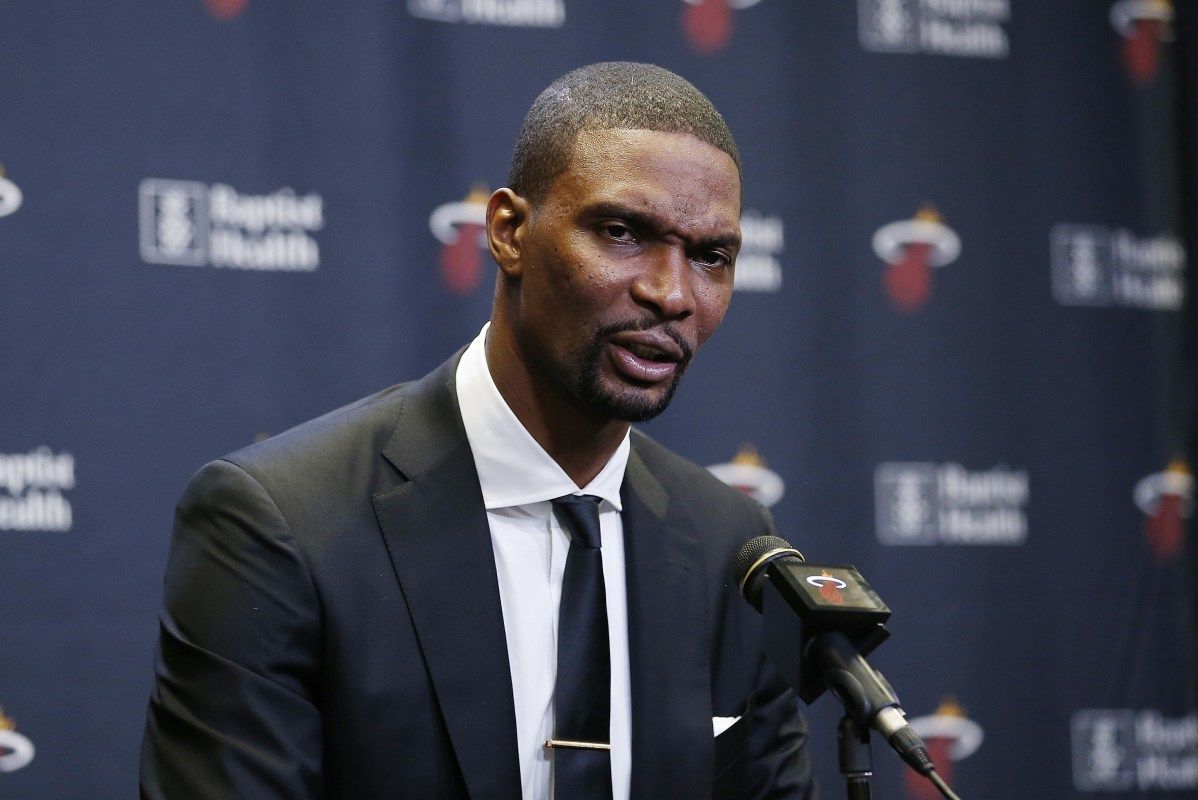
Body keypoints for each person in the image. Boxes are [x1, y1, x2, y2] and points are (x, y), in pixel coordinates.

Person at [140, 61, 814, 799]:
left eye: (711, 256)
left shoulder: (731, 545)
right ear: (508, 232)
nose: (671, 293)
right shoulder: (281, 524)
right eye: (621, 232)